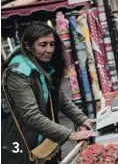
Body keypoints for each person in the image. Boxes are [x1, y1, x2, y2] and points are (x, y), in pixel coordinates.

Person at [1, 22, 97, 164]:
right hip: (21, 144)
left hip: (43, 140)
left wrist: (82, 119)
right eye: (43, 44)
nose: (49, 49)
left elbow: (60, 98)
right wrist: (70, 134)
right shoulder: (18, 73)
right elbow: (32, 116)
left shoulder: (43, 65)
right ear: (28, 47)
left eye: (52, 44)